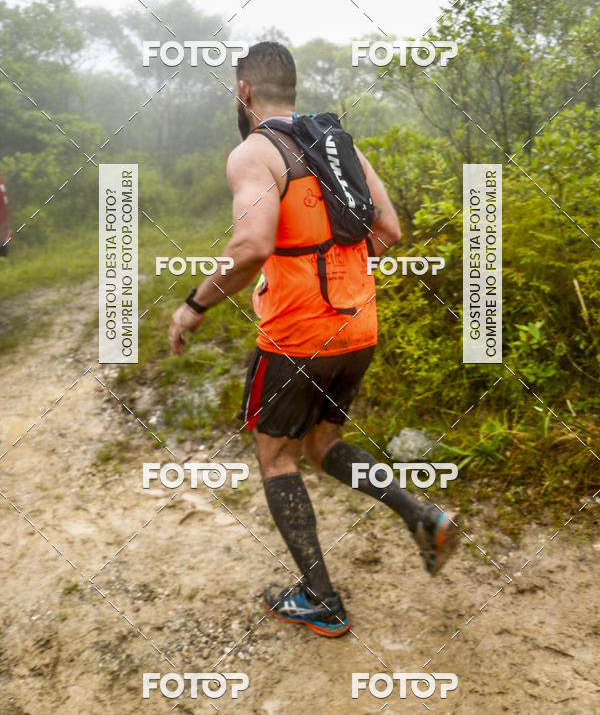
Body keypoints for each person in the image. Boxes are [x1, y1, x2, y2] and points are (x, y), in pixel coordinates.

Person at [169, 41, 459, 638]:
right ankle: (423, 517)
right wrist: (333, 267)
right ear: (292, 88)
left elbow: (251, 245)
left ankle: (322, 601)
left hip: (298, 335)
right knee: (323, 445)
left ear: (244, 91)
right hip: (358, 326)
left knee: (277, 457)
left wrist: (195, 306)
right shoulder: (337, 143)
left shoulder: (255, 152)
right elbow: (389, 229)